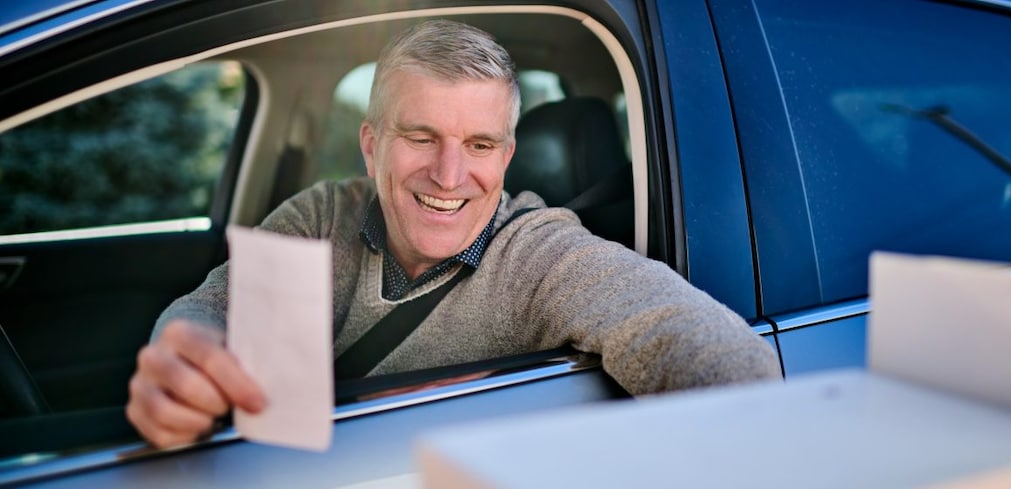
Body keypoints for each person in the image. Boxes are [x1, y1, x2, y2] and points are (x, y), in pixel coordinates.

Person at [126, 19, 781, 448]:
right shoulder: (322, 218)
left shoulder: (542, 253)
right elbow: (214, 310)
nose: (449, 173)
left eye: (479, 143)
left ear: (506, 154)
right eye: (420, 136)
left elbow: (705, 350)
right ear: (371, 144)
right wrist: (186, 355)